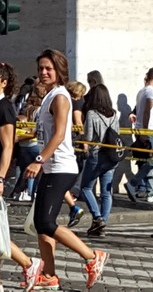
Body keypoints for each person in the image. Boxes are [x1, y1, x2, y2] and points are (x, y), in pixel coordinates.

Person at [22, 49, 108, 290]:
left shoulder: (60, 96)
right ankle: (49, 276)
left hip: (60, 167)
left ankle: (92, 256)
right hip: (51, 167)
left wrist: (38, 159)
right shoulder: (49, 96)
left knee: (47, 223)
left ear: (60, 71)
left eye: (49, 68)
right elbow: (45, 133)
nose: (44, 72)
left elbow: (60, 134)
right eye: (40, 68)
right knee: (42, 224)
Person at [0, 62, 44, 292]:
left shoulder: (4, 109)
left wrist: (0, 179)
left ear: (4, 82)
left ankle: (29, 263)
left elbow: (7, 147)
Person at [80, 84, 120, 237]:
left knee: (86, 188)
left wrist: (81, 139)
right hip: (111, 156)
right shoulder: (114, 114)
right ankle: (102, 224)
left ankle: (97, 218)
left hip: (97, 155)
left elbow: (89, 138)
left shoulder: (91, 114)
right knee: (106, 192)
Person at [125, 67, 153, 203]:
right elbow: (147, 111)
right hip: (150, 132)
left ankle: (148, 190)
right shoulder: (152, 91)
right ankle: (134, 184)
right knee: (152, 161)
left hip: (141, 131)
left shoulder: (141, 91)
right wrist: (146, 132)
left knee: (147, 161)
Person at [65, 81, 87, 228]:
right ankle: (73, 196)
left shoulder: (65, 99)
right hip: (72, 139)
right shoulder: (77, 102)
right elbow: (78, 120)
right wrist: (84, 140)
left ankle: (72, 203)